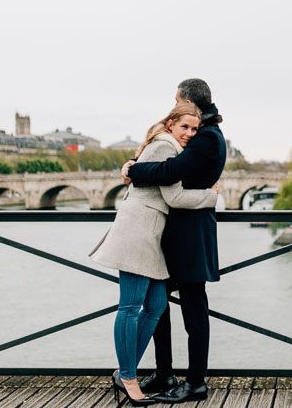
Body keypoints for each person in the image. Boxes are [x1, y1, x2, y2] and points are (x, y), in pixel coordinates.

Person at [89, 102, 219, 406]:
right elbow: (174, 196)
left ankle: (125, 370)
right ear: (171, 123)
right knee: (131, 306)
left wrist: (129, 168)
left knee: (156, 304)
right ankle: (129, 378)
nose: (189, 133)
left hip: (151, 233)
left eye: (194, 129)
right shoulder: (165, 146)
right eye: (184, 127)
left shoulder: (168, 145)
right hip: (139, 230)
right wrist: (212, 195)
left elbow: (136, 173)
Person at [121, 78, 226, 404]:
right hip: (180, 235)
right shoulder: (206, 134)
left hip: (191, 234)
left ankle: (195, 382)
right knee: (159, 305)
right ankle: (164, 371)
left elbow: (171, 171)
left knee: (193, 310)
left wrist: (133, 170)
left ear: (186, 102)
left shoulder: (206, 138)